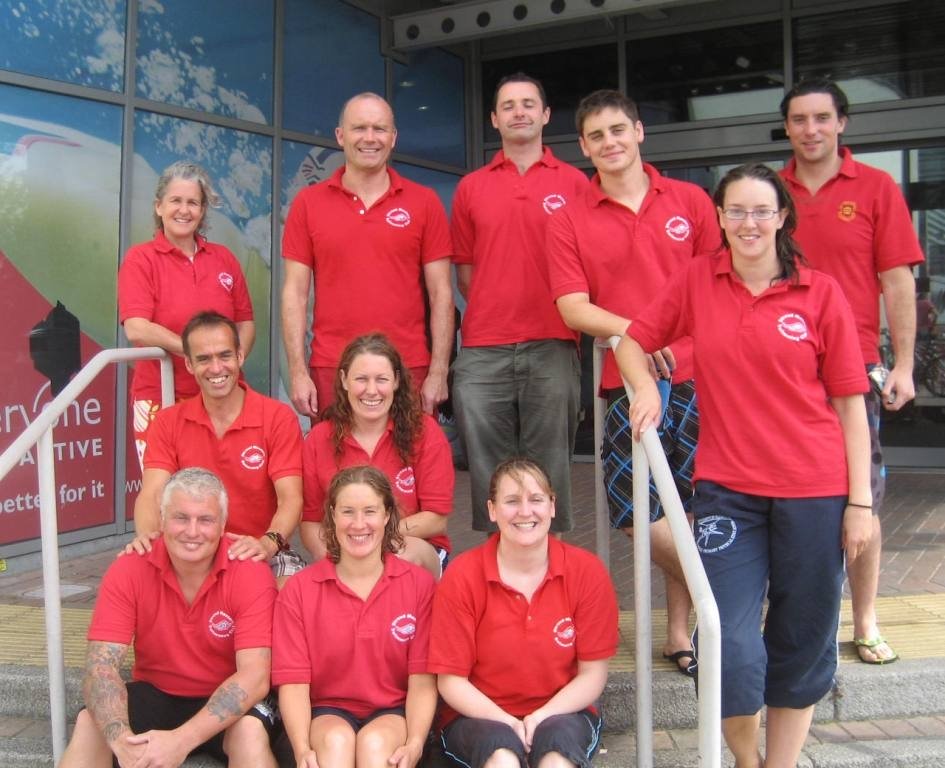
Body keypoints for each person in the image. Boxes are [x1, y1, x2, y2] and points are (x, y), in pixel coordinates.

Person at [616, 163, 872, 768]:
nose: (748, 223)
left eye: (761, 211)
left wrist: (859, 503)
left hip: (816, 491)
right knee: (727, 639)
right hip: (728, 493)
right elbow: (632, 340)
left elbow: (849, 407)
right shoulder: (699, 280)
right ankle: (745, 758)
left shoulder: (820, 293)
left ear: (782, 217)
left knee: (801, 637)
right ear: (720, 218)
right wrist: (644, 388)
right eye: (736, 211)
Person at [547, 89, 718, 675]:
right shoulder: (570, 217)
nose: (610, 142)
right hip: (624, 382)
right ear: (584, 147)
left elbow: (720, 289)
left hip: (700, 374)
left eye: (619, 129)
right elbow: (573, 307)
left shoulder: (691, 201)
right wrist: (643, 335)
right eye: (597, 136)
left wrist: (673, 340)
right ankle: (720, 583)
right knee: (633, 513)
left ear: (640, 131)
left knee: (689, 508)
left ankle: (680, 634)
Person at [779, 77, 925, 665]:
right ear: (787, 127)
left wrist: (906, 365)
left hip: (853, 369)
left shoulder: (876, 187)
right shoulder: (771, 190)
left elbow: (896, 280)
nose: (810, 130)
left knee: (859, 496)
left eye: (821, 118)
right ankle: (793, 620)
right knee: (786, 498)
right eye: (798, 120)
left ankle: (865, 619)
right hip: (780, 367)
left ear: (842, 122)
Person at [59, 468, 278, 768]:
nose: (192, 531)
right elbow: (100, 666)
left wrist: (180, 740)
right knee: (90, 723)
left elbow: (254, 677)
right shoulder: (129, 568)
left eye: (205, 519)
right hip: (158, 693)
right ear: (161, 520)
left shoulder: (250, 572)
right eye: (180, 517)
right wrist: (119, 738)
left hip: (228, 699)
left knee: (249, 733)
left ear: (224, 525)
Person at [450, 72, 588, 535]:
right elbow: (467, 273)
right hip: (484, 345)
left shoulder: (576, 183)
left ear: (546, 115)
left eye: (529, 103)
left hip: (552, 343)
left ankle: (549, 571)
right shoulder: (471, 187)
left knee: (549, 468)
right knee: (490, 471)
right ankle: (497, 573)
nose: (519, 112)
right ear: (494, 119)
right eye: (508, 106)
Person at [429, 458, 618, 768]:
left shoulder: (587, 572)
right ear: (491, 510)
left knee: (557, 760)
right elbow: (450, 682)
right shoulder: (463, 575)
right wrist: (509, 723)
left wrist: (540, 717)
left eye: (536, 499)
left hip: (563, 711)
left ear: (553, 506)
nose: (525, 511)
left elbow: (593, 674)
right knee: (502, 760)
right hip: (477, 715)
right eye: (512, 501)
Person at [281, 91, 454, 418]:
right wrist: (298, 371)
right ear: (340, 135)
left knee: (405, 466)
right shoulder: (307, 204)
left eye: (379, 129)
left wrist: (439, 371)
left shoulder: (425, 202)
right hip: (332, 366)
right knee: (335, 468)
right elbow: (295, 293)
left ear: (393, 137)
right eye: (360, 128)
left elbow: (441, 293)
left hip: (407, 365)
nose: (370, 138)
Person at [273, 465, 437, 768]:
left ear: (387, 515)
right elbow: (293, 683)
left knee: (376, 746)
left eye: (370, 511)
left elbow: (422, 681)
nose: (358, 524)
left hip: (394, 711)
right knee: (336, 743)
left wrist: (414, 744)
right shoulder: (299, 589)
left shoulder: (419, 585)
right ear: (332, 515)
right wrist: (301, 750)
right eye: (348, 511)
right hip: (326, 711)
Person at [127, 311, 304, 585]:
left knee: (293, 596)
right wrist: (152, 543)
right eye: (204, 359)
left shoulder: (277, 418)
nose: (216, 368)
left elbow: (291, 499)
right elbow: (151, 495)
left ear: (240, 356)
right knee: (134, 581)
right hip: (191, 548)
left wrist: (267, 544)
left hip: (260, 547)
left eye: (224, 355)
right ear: (188, 364)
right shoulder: (168, 421)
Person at [118, 161, 255, 467]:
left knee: (225, 489)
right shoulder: (140, 259)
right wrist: (200, 353)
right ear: (158, 206)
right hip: (161, 396)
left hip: (225, 397)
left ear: (203, 210)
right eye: (175, 201)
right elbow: (137, 328)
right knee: (166, 495)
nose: (184, 210)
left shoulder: (224, 259)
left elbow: (245, 322)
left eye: (193, 202)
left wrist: (230, 361)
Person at [301, 333, 453, 578]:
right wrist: (336, 561)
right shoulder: (319, 439)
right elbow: (310, 522)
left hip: (415, 546)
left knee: (397, 557)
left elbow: (436, 519)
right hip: (344, 551)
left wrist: (372, 537)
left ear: (396, 381)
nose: (372, 391)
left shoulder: (424, 432)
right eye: (361, 379)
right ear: (344, 380)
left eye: (381, 379)